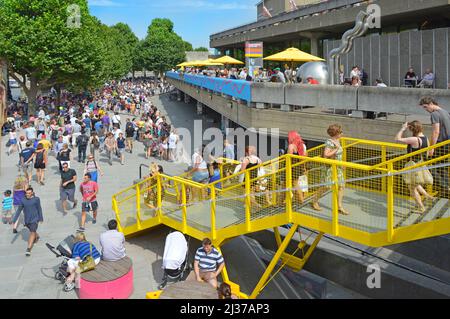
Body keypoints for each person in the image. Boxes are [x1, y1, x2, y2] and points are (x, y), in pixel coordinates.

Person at [395, 121, 435, 213]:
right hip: (421, 164)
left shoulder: (414, 139)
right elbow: (428, 153)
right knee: (415, 183)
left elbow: (397, 139)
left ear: (412, 129)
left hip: (413, 165)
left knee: (411, 187)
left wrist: (402, 128)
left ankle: (421, 207)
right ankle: (428, 196)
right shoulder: (425, 138)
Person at [311, 124, 350, 215]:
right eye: (340, 132)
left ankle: (339, 206)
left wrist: (342, 164)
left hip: (338, 167)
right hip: (330, 168)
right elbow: (326, 154)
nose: (342, 133)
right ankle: (314, 200)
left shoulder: (338, 140)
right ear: (336, 133)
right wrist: (336, 148)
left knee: (341, 186)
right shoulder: (330, 142)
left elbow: (339, 155)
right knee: (326, 186)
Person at [419, 96, 450, 193]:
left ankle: (445, 187)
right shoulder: (445, 112)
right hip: (447, 143)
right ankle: (447, 186)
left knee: (428, 165)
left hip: (440, 144)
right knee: (442, 166)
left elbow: (436, 132)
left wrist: (432, 147)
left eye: (425, 107)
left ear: (431, 104)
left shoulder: (434, 114)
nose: (426, 110)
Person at [11, 187, 43, 256]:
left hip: (35, 219)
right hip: (27, 220)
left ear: (32, 193)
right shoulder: (23, 200)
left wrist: (41, 218)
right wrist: (14, 220)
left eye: (29, 193)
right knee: (33, 231)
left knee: (32, 232)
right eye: (26, 193)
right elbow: (19, 210)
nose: (27, 194)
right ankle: (37, 236)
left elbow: (39, 208)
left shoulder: (36, 199)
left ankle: (28, 249)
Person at [287, 131, 308, 204]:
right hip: (299, 165)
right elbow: (304, 157)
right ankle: (298, 199)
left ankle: (301, 200)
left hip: (291, 167)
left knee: (295, 184)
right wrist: (304, 167)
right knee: (294, 183)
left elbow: (288, 157)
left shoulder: (291, 146)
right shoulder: (302, 145)